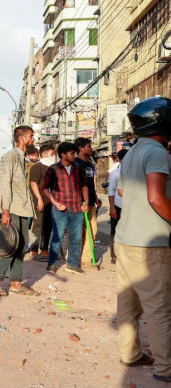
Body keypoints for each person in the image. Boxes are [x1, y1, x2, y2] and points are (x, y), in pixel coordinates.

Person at [113, 97, 171, 383]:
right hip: (150, 245)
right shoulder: (158, 153)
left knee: (127, 306)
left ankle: (131, 354)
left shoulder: (133, 152)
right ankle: (165, 368)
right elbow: (157, 198)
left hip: (124, 239)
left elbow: (123, 194)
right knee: (160, 310)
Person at [0, 126, 37, 296]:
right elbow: (4, 185)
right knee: (9, 244)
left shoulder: (21, 157)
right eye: (31, 136)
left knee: (21, 245)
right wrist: (5, 211)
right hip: (12, 209)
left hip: (22, 209)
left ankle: (16, 283)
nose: (34, 138)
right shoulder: (10, 157)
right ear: (22, 138)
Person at [42, 142, 89, 275]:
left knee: (76, 237)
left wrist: (85, 202)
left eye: (75, 153)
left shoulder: (78, 168)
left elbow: (84, 186)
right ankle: (51, 264)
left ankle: (73, 264)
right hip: (59, 210)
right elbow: (45, 188)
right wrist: (54, 202)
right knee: (57, 237)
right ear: (63, 155)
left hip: (77, 208)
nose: (74, 155)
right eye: (72, 153)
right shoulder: (53, 169)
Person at [73, 137, 102, 267]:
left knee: (92, 230)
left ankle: (86, 258)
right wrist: (80, 202)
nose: (91, 149)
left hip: (90, 203)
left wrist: (95, 198)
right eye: (89, 146)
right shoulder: (75, 164)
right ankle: (71, 258)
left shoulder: (90, 164)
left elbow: (91, 184)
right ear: (81, 148)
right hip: (78, 204)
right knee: (76, 232)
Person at [28, 143, 56, 261]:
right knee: (38, 225)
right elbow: (33, 183)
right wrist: (39, 199)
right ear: (45, 153)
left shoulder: (54, 167)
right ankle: (34, 250)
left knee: (48, 225)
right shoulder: (37, 166)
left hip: (52, 201)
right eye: (51, 153)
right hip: (40, 200)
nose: (53, 155)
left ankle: (44, 249)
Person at [107, 148, 128, 264]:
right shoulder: (115, 174)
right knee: (114, 231)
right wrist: (112, 207)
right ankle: (114, 255)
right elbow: (111, 191)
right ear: (119, 160)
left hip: (130, 207)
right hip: (118, 205)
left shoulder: (134, 173)